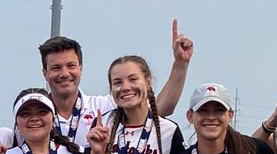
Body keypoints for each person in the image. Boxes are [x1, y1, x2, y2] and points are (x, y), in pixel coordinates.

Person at [38, 21, 193, 147]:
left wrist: (181, 63)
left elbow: (159, 109)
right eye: (56, 68)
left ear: (81, 68)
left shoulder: (103, 107)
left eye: (71, 66)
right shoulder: (33, 115)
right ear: (45, 73)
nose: (64, 74)